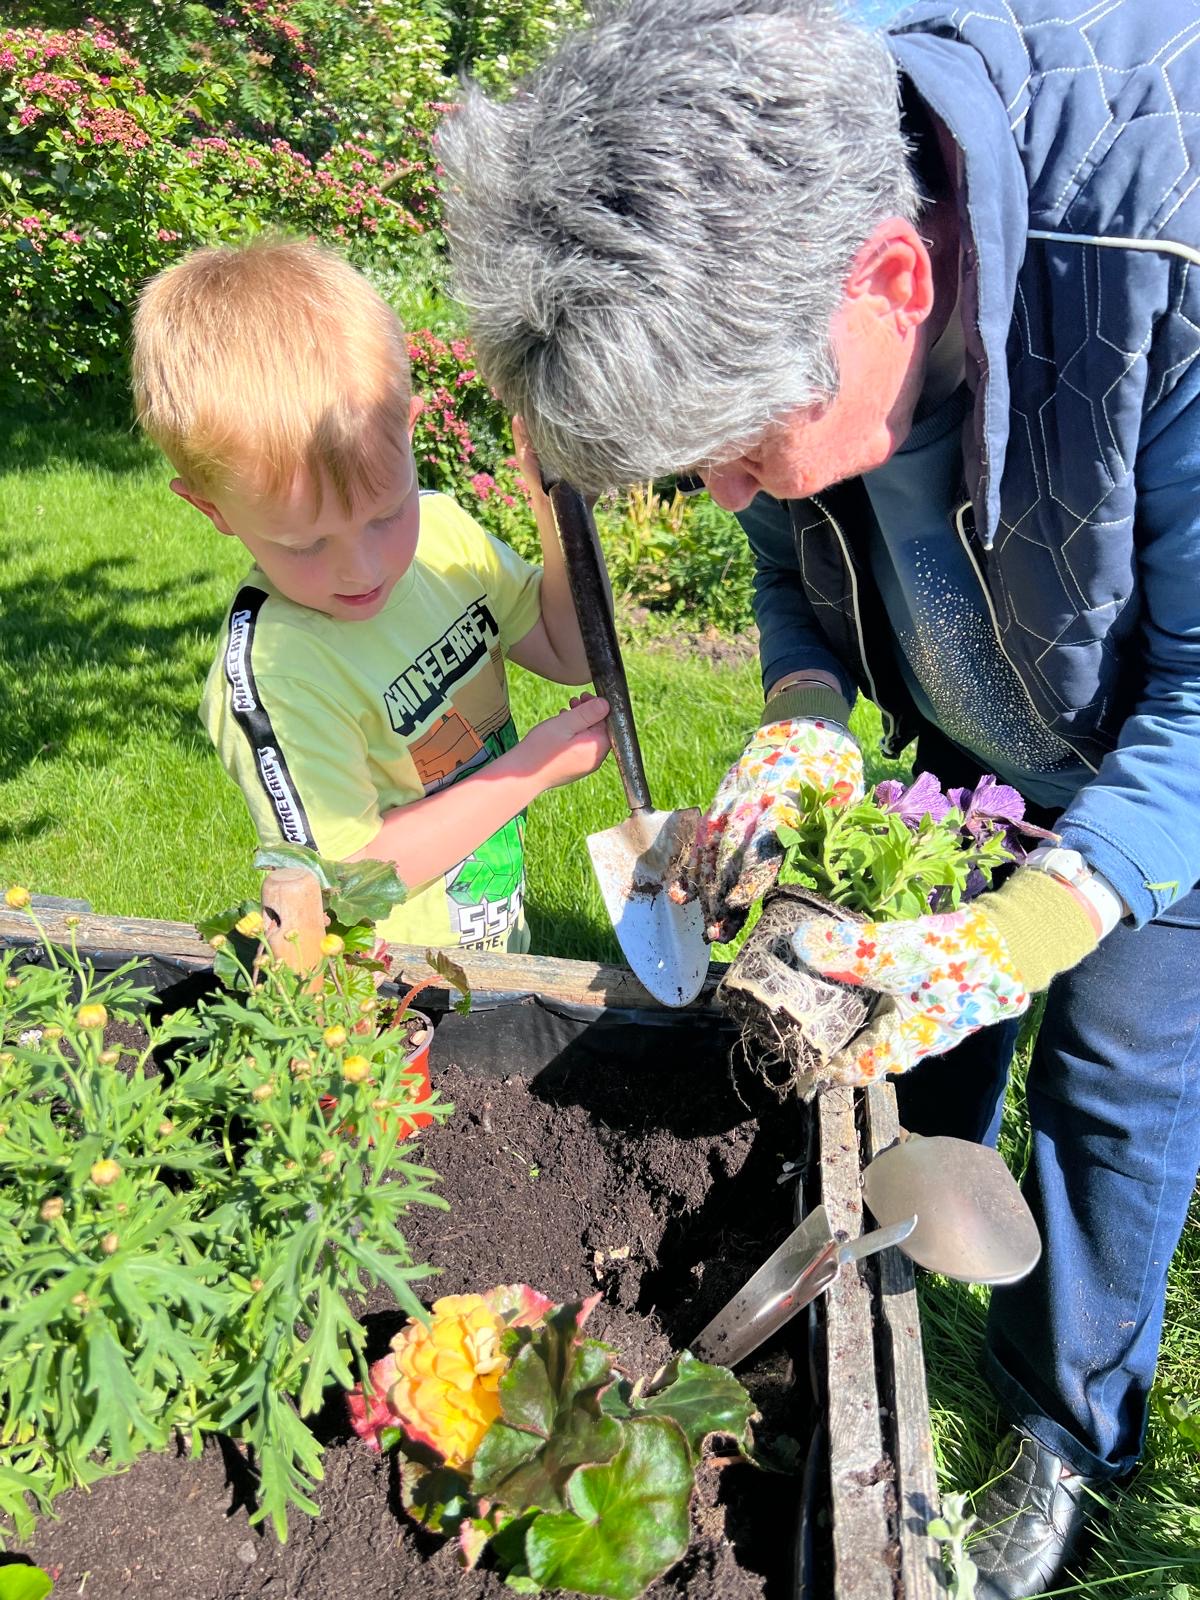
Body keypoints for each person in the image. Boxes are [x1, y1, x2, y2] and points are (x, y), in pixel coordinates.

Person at [437, 1, 1200, 1593]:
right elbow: (800, 555)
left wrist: (1042, 915)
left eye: (737, 447)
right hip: (978, 708)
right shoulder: (774, 208)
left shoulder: (1166, 259)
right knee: (913, 1043)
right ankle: (892, 1281)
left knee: (1117, 1084)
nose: (722, 493)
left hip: (1161, 739)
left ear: (896, 287)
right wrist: (804, 716)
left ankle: (1065, 1429)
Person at [131, 237, 610, 953]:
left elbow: (571, 653)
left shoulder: (446, 540)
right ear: (215, 512)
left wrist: (556, 519)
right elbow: (343, 881)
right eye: (304, 544)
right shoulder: (280, 675)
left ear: (411, 436)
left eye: (387, 513)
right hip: (385, 999)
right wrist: (526, 771)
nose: (361, 568)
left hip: (490, 951)